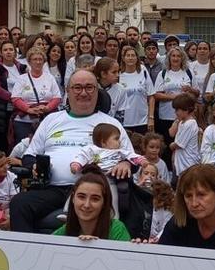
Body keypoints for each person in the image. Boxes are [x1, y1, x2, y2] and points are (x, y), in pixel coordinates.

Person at [9, 70, 133, 233]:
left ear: (97, 91)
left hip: (92, 190)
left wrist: (125, 163)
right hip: (54, 189)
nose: (83, 93)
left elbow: (130, 157)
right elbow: (29, 155)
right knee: (19, 203)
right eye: (77, 88)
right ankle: (27, 254)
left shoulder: (110, 123)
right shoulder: (51, 120)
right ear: (67, 91)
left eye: (89, 87)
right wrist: (33, 166)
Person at [53, 165, 132, 241]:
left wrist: (140, 248)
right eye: (81, 197)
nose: (87, 205)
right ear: (73, 198)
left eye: (95, 199)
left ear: (104, 203)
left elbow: (128, 255)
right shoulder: (65, 230)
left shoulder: (117, 229)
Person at [11, 46, 62, 143]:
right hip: (24, 121)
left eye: (40, 59)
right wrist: (28, 109)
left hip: (46, 119)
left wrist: (47, 108)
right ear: (29, 62)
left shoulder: (50, 78)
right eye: (35, 59)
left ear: (44, 61)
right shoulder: (22, 78)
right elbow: (15, 98)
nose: (38, 62)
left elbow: (57, 97)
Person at [152, 46, 195, 140]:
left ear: (182, 58)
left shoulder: (188, 73)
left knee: (182, 143)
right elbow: (156, 95)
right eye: (173, 56)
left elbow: (197, 93)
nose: (175, 58)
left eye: (178, 56)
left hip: (185, 116)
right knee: (167, 144)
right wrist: (175, 97)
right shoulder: (163, 73)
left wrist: (190, 90)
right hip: (166, 115)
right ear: (169, 58)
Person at [117, 46, 155, 136]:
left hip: (142, 120)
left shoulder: (143, 71)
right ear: (123, 58)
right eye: (128, 55)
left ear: (137, 58)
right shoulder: (118, 74)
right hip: (124, 121)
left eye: (133, 55)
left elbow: (151, 96)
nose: (130, 58)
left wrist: (151, 118)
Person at [170, 93, 202, 176]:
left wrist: (171, 145)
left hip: (188, 163)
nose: (175, 112)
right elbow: (171, 133)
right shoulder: (181, 122)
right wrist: (177, 121)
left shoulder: (190, 124)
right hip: (181, 163)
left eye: (177, 110)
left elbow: (179, 144)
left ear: (186, 110)